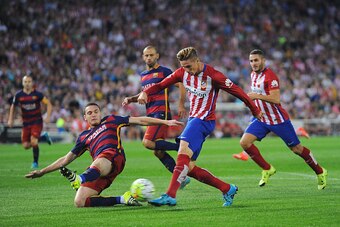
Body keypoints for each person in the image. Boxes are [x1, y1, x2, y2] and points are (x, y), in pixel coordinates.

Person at [137, 47, 262, 207]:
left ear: (197, 61)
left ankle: (170, 195)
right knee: (188, 167)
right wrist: (145, 93)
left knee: (182, 151)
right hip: (194, 120)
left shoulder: (213, 75)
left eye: (189, 66)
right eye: (183, 66)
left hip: (203, 120)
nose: (186, 70)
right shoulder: (182, 73)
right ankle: (227, 188)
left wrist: (255, 110)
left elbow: (238, 91)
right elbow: (161, 85)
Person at [25, 102, 184, 208]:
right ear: (85, 117)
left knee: (101, 159)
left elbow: (140, 120)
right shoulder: (83, 137)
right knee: (80, 201)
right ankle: (123, 199)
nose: (93, 114)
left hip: (114, 157)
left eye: (96, 111)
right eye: (89, 113)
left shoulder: (111, 120)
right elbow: (66, 159)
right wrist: (42, 171)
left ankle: (79, 179)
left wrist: (165, 122)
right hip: (99, 169)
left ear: (100, 113)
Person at [239, 49, 327, 189]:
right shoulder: (253, 75)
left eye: (256, 60)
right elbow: (257, 96)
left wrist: (255, 96)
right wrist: (251, 104)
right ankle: (267, 169)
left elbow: (276, 98)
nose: (253, 63)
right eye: (251, 61)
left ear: (263, 60)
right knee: (244, 143)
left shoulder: (270, 76)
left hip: (277, 119)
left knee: (297, 149)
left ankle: (320, 171)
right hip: (262, 118)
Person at [122, 45, 190, 188]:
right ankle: (181, 178)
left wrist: (181, 105)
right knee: (158, 152)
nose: (149, 58)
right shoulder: (143, 75)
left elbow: (181, 85)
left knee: (147, 142)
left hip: (161, 112)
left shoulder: (164, 71)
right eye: (146, 55)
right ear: (143, 57)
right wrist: (131, 99)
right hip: (151, 113)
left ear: (157, 56)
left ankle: (179, 147)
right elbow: (145, 94)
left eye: (151, 55)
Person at [7, 75, 53, 169]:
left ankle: (35, 163)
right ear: (22, 83)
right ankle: (43, 137)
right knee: (26, 146)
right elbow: (13, 106)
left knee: (34, 141)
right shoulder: (19, 95)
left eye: (29, 82)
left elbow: (48, 104)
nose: (27, 84)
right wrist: (10, 119)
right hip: (26, 123)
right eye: (25, 82)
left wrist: (48, 116)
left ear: (32, 83)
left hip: (37, 121)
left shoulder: (37, 94)